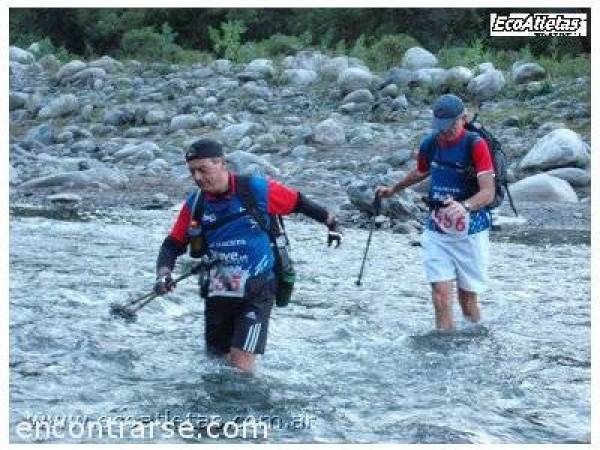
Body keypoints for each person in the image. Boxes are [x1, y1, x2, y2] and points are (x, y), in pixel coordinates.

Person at [154, 138, 343, 372]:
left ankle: (248, 408)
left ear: (221, 163)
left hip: (258, 289)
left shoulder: (256, 189)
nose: (198, 178)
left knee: (240, 367)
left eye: (203, 169)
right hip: (218, 289)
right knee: (215, 366)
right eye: (192, 172)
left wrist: (332, 224)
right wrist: (163, 274)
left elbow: (299, 203)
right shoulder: (195, 204)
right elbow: (173, 244)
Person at [377, 94, 495, 330]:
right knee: (440, 295)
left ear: (463, 118)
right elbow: (421, 171)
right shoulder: (430, 143)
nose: (445, 132)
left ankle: (476, 341)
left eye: (451, 126)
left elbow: (488, 193)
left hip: (471, 231)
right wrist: (393, 189)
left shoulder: (476, 145)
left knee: (467, 299)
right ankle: (443, 352)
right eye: (441, 127)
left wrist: (465, 206)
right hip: (437, 229)